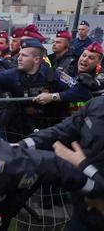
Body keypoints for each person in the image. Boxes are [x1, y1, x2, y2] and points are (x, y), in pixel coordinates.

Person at [0, 38, 93, 136]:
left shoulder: (54, 75)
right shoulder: (13, 74)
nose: (19, 58)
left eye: (24, 55)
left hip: (50, 129)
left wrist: (54, 96)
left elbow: (82, 92)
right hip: (21, 128)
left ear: (36, 59)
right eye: (19, 54)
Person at [18, 95, 104, 231]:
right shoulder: (97, 104)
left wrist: (82, 164)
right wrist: (21, 145)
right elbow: (64, 129)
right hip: (82, 206)